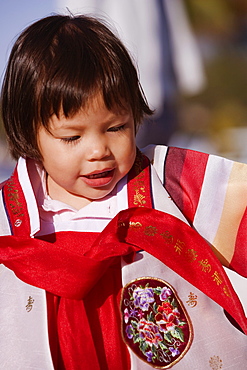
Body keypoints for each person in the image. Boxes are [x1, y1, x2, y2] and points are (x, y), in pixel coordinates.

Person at [0, 14, 246, 370]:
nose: (99, 149)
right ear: (30, 134)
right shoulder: (7, 219)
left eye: (116, 127)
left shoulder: (172, 183)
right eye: (72, 137)